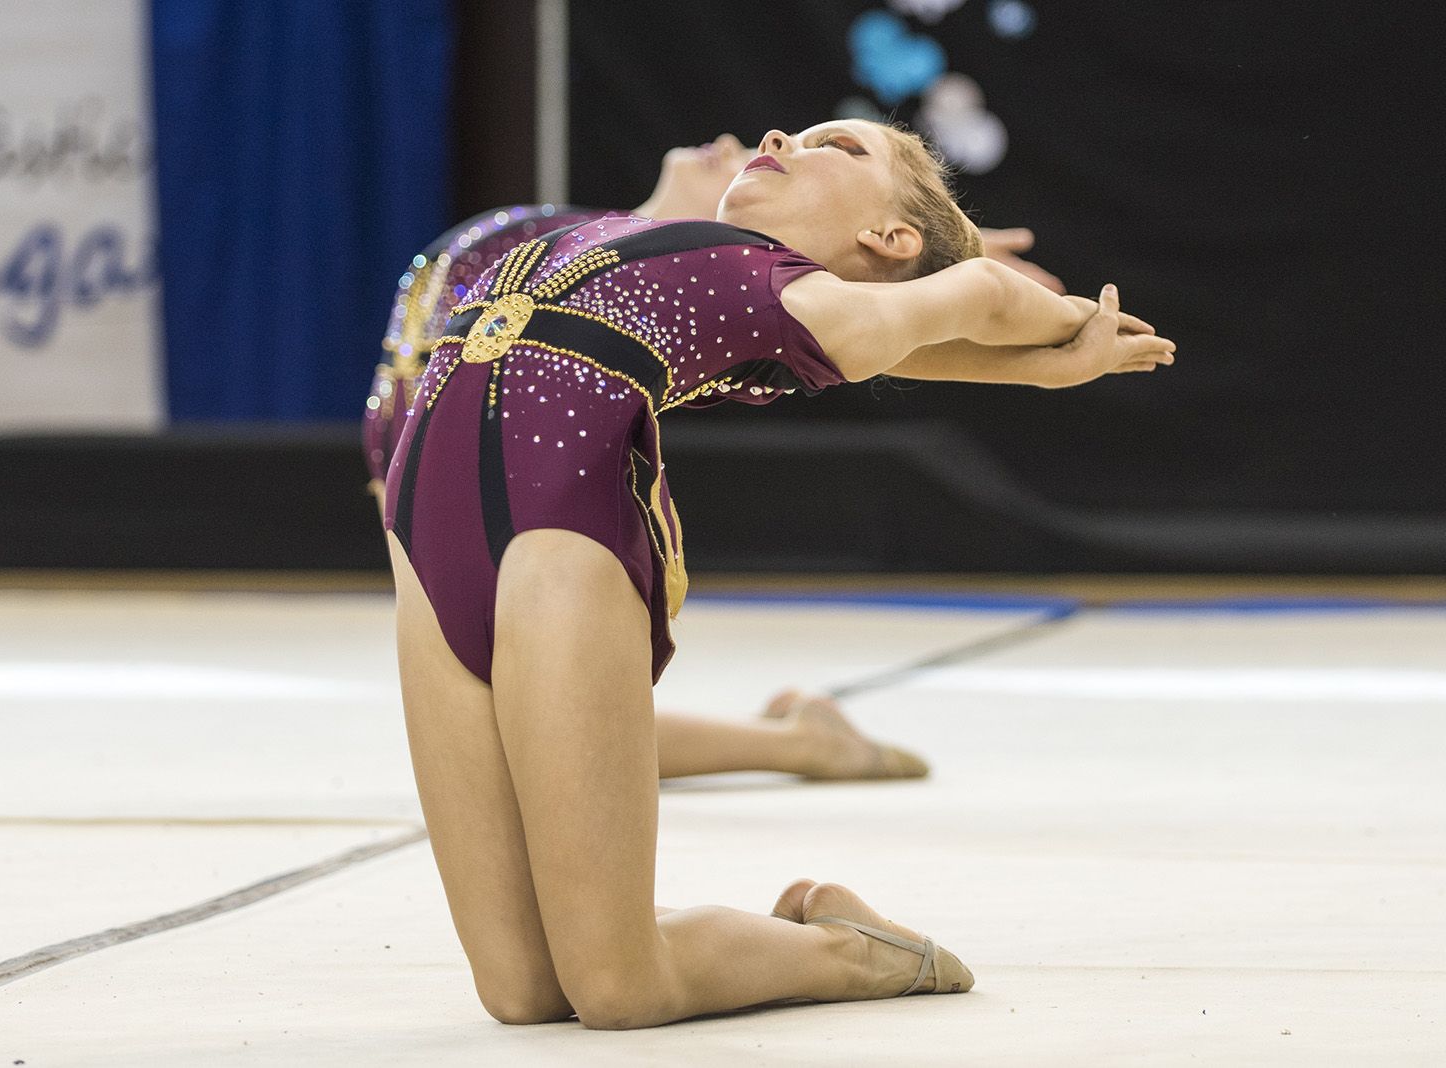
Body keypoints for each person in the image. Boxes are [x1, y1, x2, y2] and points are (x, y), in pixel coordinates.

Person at [382, 118, 1174, 1029]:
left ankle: (852, 951)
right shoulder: (724, 279)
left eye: (839, 146)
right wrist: (1025, 365)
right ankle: (745, 925)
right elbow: (903, 336)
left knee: (618, 991)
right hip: (427, 558)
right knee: (521, 992)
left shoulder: (796, 298)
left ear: (889, 240)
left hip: (560, 549)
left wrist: (1079, 336)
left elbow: (981, 292)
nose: (780, 134)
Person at [363, 133, 1066, 784]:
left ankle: (799, 746)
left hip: (491, 482)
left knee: (544, 719)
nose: (747, 145)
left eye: (815, 157)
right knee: (526, 715)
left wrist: (938, 281)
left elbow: (837, 337)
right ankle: (798, 745)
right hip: (428, 468)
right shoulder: (578, 246)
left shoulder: (723, 285)